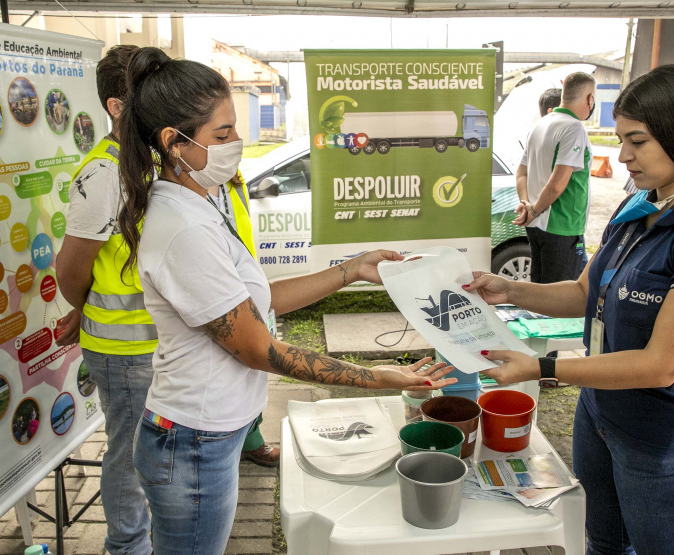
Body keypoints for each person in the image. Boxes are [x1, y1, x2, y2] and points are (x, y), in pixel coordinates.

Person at [115, 47, 455, 555]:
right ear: (173, 143)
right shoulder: (183, 228)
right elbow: (258, 347)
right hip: (191, 444)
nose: (237, 144)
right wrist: (377, 379)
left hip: (205, 435)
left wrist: (351, 270)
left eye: (236, 130)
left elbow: (254, 302)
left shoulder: (199, 203)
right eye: (222, 135)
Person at [464, 64, 674, 554]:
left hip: (661, 441)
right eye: (621, 139)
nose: (622, 156)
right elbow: (585, 293)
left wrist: (541, 367)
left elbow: (663, 363)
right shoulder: (639, 207)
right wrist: (509, 290)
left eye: (638, 141)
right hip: (599, 414)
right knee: (603, 543)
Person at [54, 45, 157, 555]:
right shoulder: (104, 175)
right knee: (131, 458)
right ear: (117, 107)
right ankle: (126, 547)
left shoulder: (148, 158)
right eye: (149, 93)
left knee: (149, 453)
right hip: (124, 352)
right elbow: (71, 271)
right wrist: (82, 306)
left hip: (156, 344)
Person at [207, 172, 281, 466]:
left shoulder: (230, 178)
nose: (235, 141)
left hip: (246, 289)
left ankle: (250, 438)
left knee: (251, 375)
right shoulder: (177, 196)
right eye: (223, 133)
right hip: (218, 301)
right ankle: (233, 442)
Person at [515, 72, 595, 284]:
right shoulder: (574, 127)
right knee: (560, 296)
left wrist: (527, 205)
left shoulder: (540, 125)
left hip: (536, 225)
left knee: (540, 290)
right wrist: (533, 210)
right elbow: (558, 183)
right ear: (589, 99)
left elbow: (521, 172)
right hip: (562, 225)